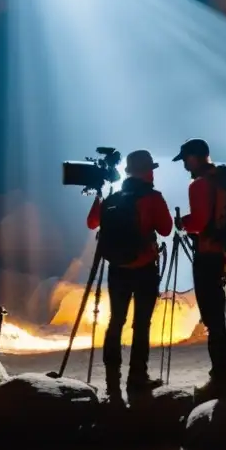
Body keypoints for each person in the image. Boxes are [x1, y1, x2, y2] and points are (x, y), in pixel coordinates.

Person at [87, 149, 173, 404]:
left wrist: (100, 195)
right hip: (144, 268)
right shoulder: (153, 197)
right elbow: (166, 229)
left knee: (116, 321)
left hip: (117, 269)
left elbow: (92, 223)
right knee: (141, 324)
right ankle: (137, 377)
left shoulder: (114, 197)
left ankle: (112, 378)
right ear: (147, 171)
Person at [173, 138, 226, 401]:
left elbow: (200, 221)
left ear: (195, 157)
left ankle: (220, 380)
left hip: (209, 256)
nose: (184, 164)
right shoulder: (224, 180)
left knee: (214, 320)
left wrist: (183, 223)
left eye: (185, 159)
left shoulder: (200, 185)